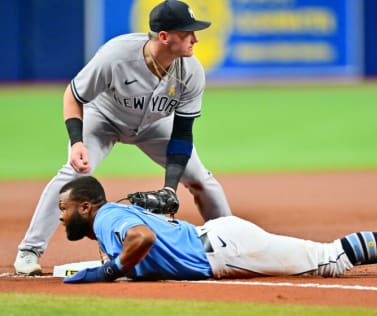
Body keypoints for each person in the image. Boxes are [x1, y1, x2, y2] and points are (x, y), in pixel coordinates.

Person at [14, 0, 232, 275]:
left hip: (155, 125)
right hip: (103, 119)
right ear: (164, 37)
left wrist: (170, 188)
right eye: (187, 32)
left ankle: (232, 239)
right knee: (72, 173)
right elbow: (73, 95)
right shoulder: (116, 56)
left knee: (202, 180)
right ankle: (29, 250)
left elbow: (182, 133)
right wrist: (77, 141)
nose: (196, 38)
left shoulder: (191, 71)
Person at [58, 176, 377, 283]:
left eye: (64, 209)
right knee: (324, 258)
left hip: (225, 250)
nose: (60, 218)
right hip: (219, 238)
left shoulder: (109, 218)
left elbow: (142, 239)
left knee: (329, 259)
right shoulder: (110, 216)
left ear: (86, 206)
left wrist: (110, 271)